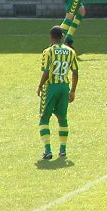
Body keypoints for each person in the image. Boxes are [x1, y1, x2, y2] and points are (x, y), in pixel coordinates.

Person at [36, 26, 77, 161]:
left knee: (44, 118)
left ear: (51, 37)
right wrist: (72, 91)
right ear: (62, 37)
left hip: (51, 87)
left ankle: (48, 150)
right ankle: (63, 150)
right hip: (64, 87)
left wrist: (40, 85)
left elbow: (46, 72)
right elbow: (75, 72)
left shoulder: (48, 52)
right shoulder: (71, 52)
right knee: (62, 118)